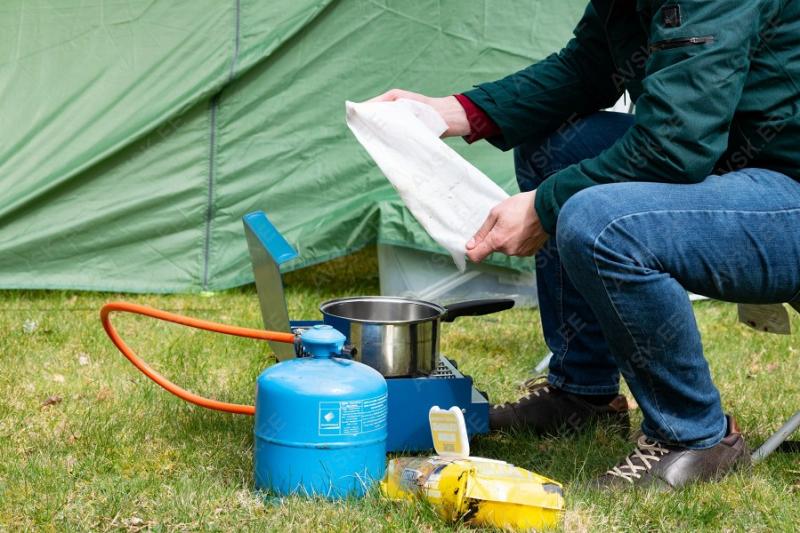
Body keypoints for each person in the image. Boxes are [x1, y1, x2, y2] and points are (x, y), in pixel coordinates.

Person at [370, 0, 800, 489]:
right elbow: (589, 66)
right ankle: (583, 396)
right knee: (558, 146)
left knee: (596, 221)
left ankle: (694, 437)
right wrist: (459, 112)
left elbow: (677, 144)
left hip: (787, 192)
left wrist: (544, 206)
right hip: (737, 168)